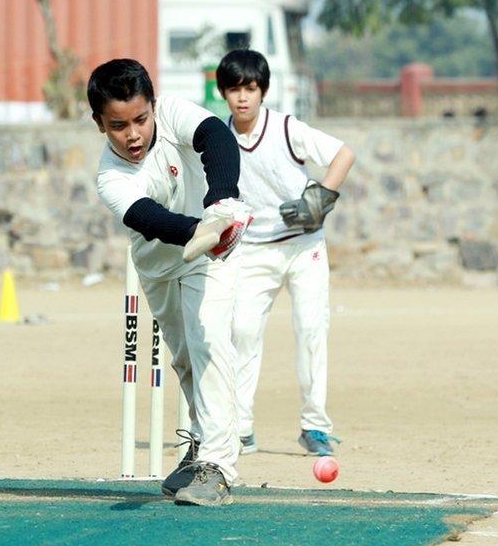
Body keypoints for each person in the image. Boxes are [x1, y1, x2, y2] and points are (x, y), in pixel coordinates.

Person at [90, 58, 251, 506]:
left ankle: (217, 466)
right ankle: (201, 442)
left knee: (210, 343)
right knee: (184, 359)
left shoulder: (176, 112)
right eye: (118, 125)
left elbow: (217, 138)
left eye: (141, 119)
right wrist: (203, 231)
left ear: (153, 107)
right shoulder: (110, 177)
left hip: (213, 251)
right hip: (163, 261)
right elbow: (151, 219)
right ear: (99, 123)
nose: (134, 134)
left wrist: (220, 205)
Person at [216, 49, 356, 457]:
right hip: (253, 248)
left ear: (263, 91)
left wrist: (321, 196)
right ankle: (240, 428)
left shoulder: (287, 128)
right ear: (223, 93)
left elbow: (343, 154)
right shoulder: (218, 137)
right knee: (241, 333)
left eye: (251, 88)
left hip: (302, 244)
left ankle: (314, 426)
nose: (243, 98)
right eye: (235, 89)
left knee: (311, 330)